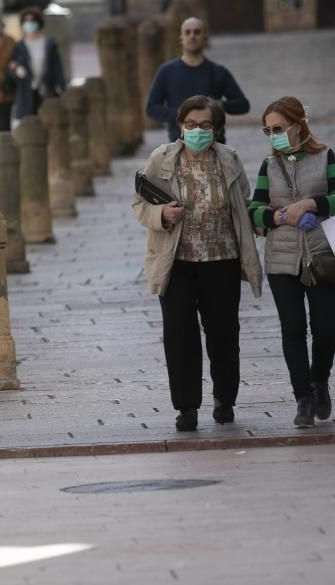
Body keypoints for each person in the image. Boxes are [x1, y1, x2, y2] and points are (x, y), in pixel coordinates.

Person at [133, 95, 263, 432]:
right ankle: (187, 407)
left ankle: (225, 398)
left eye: (205, 125)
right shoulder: (161, 159)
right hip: (175, 261)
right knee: (179, 336)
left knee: (223, 334)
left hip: (222, 259)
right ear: (180, 125)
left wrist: (264, 221)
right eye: (190, 125)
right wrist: (162, 213)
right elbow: (139, 204)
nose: (197, 131)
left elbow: (244, 203)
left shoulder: (229, 160)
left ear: (216, 128)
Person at [248, 96, 335, 428]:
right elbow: (254, 211)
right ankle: (303, 398)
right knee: (292, 330)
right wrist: (280, 216)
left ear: (297, 125)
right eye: (267, 130)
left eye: (277, 128)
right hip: (282, 260)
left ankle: (320, 380)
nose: (272, 135)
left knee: (325, 329)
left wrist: (311, 203)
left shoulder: (324, 157)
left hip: (321, 255)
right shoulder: (268, 166)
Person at [145, 17, 249, 144]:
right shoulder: (166, 71)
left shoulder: (218, 71)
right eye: (187, 32)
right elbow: (152, 108)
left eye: (197, 32)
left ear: (205, 37)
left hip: (214, 145)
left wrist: (220, 105)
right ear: (181, 38)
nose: (192, 36)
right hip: (179, 145)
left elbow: (243, 105)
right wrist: (183, 114)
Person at [9, 5, 66, 119]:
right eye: (26, 21)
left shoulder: (49, 44)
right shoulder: (19, 46)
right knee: (29, 127)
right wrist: (16, 69)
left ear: (38, 23)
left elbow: (57, 68)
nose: (29, 24)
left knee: (49, 122)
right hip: (26, 91)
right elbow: (11, 67)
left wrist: (64, 89)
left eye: (32, 21)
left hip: (47, 90)